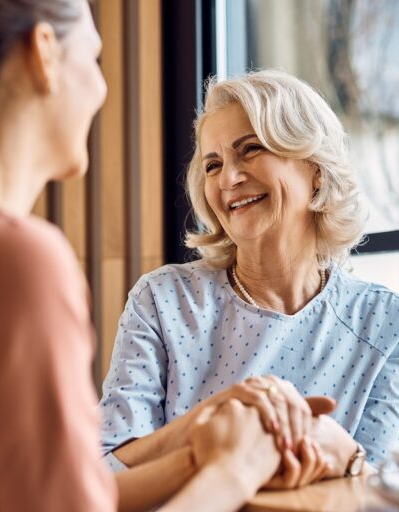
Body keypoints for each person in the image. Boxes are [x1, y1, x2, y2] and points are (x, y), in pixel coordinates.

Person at [0, 2, 306, 512]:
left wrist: (199, 447)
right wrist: (235, 470)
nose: (103, 89)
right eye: (96, 58)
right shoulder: (12, 263)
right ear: (44, 54)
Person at [100, 70, 399, 481]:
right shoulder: (162, 300)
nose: (228, 179)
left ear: (316, 169)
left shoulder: (384, 321)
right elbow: (109, 466)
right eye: (213, 164)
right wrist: (212, 424)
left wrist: (347, 458)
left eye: (251, 149)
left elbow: (384, 490)